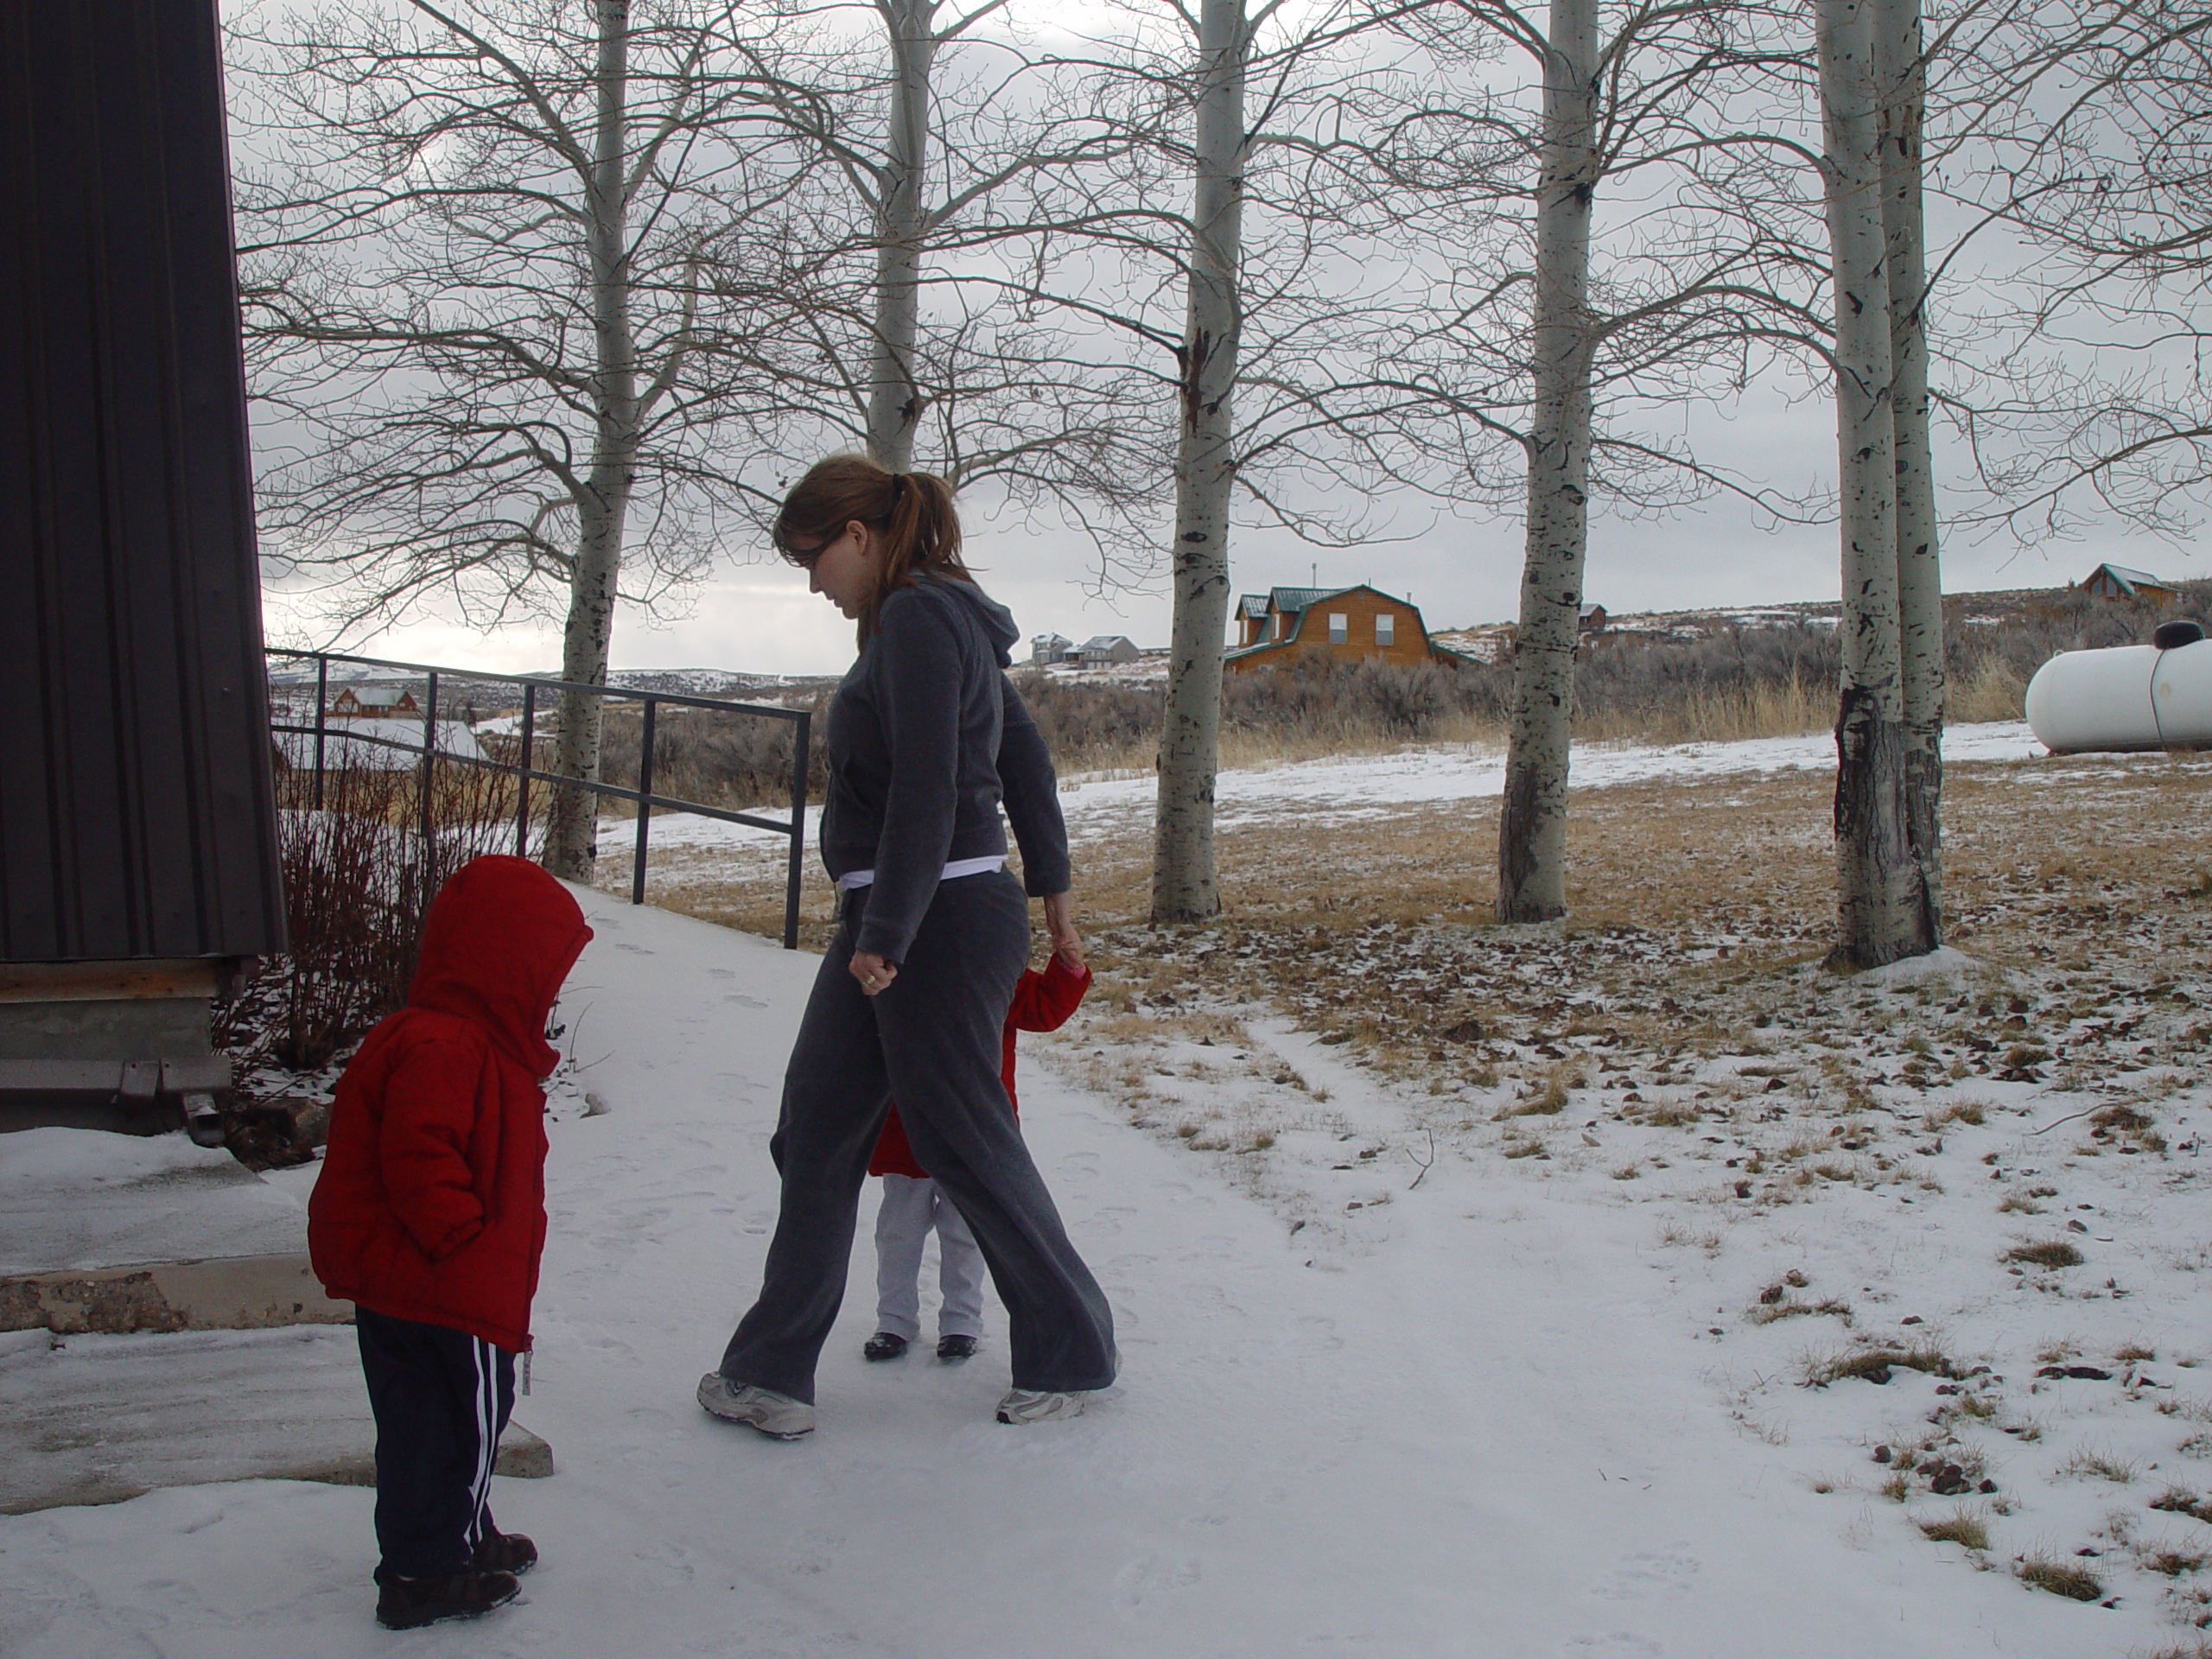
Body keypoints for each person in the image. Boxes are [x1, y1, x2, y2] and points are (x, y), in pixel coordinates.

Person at [698, 455, 1117, 1437]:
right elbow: (1022, 755)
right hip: (905, 914)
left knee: (962, 1140)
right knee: (815, 1132)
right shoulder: (933, 619)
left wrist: (888, 933)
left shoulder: (924, 621)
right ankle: (769, 1373)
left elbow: (935, 785)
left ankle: (1074, 1352)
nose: (810, 582)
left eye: (812, 557)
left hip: (930, 917)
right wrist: (1050, 892)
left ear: (858, 534)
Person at [308, 855, 593, 1630]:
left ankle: (452, 1538)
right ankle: (427, 1572)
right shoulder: (449, 1046)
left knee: (424, 1424)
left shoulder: (462, 1043)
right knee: (462, 1420)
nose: (551, 992)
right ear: (506, 964)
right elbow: (418, 1150)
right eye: (545, 972)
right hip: (443, 1285)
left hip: (418, 1284)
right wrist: (458, 1238)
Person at [863, 945, 1091, 1363]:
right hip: (905, 1123)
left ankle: (961, 1322)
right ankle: (894, 1319)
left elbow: (1042, 1009)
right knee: (898, 1231)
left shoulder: (991, 963)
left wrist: (1068, 970)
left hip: (977, 1127)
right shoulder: (893, 966)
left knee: (965, 1232)